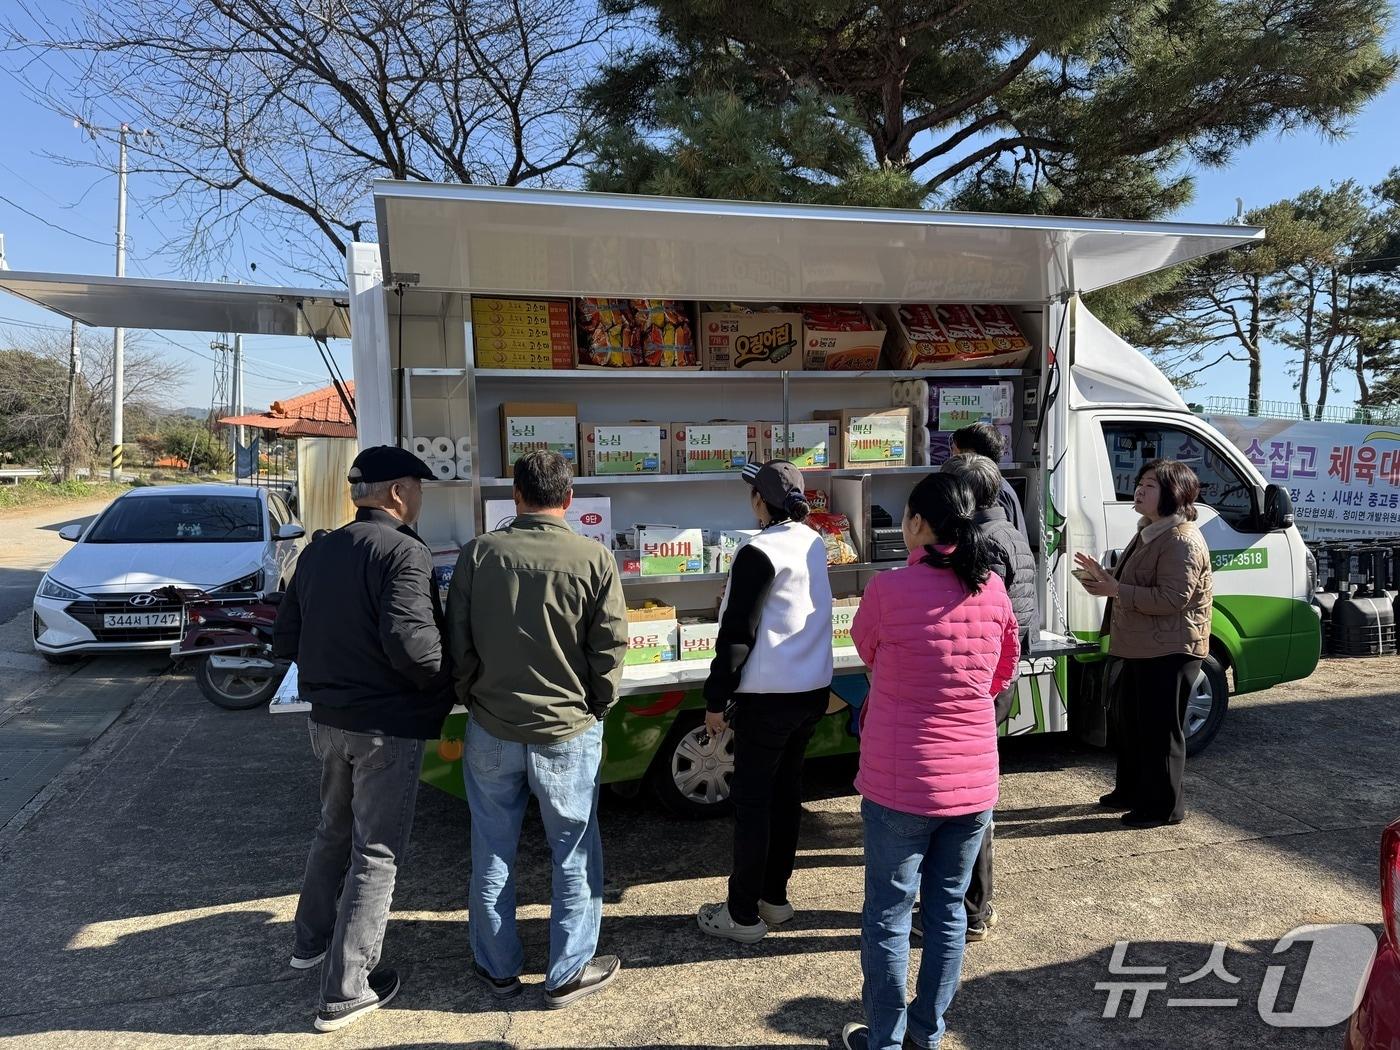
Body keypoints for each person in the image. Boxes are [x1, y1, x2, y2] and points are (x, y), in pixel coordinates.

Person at [273, 445, 452, 1033]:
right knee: (377, 853)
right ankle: (347, 990)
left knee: (333, 832)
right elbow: (414, 645)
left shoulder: (318, 549)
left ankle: (310, 944)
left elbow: (286, 637)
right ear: (399, 493)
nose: (420, 499)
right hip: (384, 727)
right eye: (418, 489)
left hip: (326, 720)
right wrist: (449, 685)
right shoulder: (404, 552)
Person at [841, 473, 1019, 1050]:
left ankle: (885, 1039)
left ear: (918, 524)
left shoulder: (887, 592)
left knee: (889, 916)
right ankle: (929, 1031)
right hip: (972, 784)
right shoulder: (993, 591)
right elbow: (1000, 676)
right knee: (947, 913)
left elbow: (866, 650)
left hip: (901, 783)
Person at [447, 450, 629, 1009]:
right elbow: (611, 647)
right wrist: (597, 704)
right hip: (568, 728)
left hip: (491, 726)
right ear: (568, 499)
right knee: (573, 850)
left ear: (516, 496)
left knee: (492, 847)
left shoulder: (480, 553)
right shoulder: (594, 558)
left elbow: (459, 641)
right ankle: (567, 970)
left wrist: (472, 694)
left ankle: (497, 967)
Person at [696, 460, 834, 943]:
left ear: (759, 501)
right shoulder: (812, 541)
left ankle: (741, 915)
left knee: (753, 803)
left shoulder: (757, 551)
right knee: (785, 796)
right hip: (810, 691)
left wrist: (716, 698)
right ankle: (774, 899)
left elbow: (736, 637)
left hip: (767, 698)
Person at [1074, 459, 1213, 829]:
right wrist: (1104, 577)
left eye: (1150, 485)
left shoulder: (1181, 539)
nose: (1139, 489)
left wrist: (1116, 588)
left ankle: (1163, 807)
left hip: (1169, 650)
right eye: (1140, 482)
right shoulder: (1150, 530)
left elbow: (1172, 599)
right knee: (1130, 724)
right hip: (1140, 644)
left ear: (1173, 494)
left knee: (1159, 731)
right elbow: (1136, 584)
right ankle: (1131, 791)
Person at [938, 452, 1038, 941]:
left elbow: (976, 623)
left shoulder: (982, 543)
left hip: (978, 684)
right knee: (973, 794)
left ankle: (972, 908)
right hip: (996, 680)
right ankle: (973, 905)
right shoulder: (1012, 532)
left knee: (967, 799)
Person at [950, 422, 1028, 540]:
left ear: (971, 455)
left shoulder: (993, 490)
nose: (952, 458)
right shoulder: (998, 485)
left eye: (955, 453)